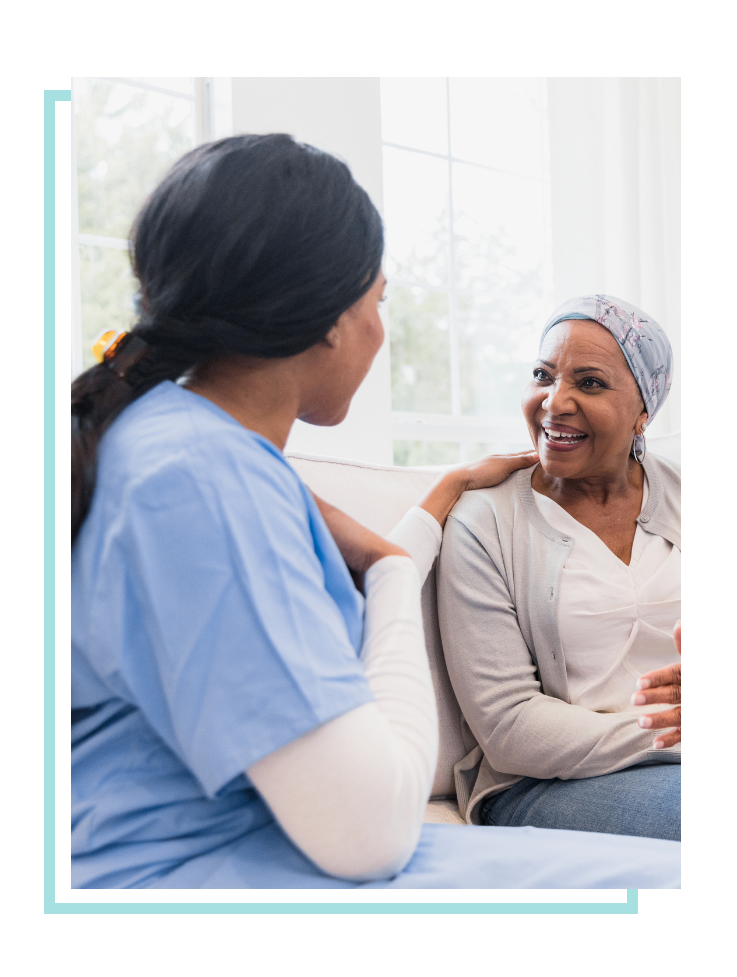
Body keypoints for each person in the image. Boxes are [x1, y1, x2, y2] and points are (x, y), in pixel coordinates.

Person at [71, 137, 680, 889]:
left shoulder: (190, 450)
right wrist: (393, 573)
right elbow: (367, 834)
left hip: (269, 842)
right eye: (379, 300)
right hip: (199, 866)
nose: (379, 330)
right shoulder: (197, 477)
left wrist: (426, 512)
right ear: (328, 314)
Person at [437, 295, 681, 840]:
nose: (555, 402)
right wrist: (665, 735)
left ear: (644, 411)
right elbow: (510, 727)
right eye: (542, 375)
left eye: (589, 383)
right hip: (545, 781)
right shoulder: (486, 521)